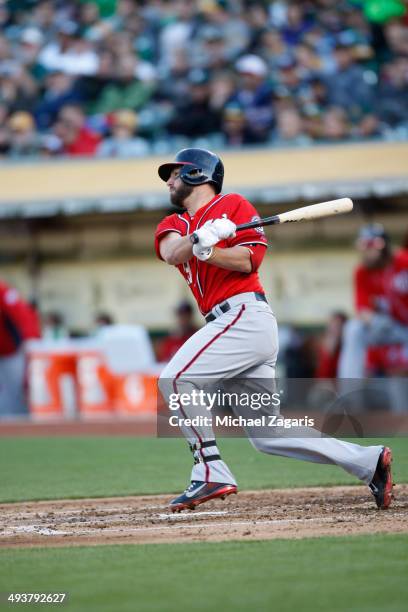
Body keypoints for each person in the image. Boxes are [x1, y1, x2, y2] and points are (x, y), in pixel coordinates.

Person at [154, 147, 393, 512]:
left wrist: (213, 250)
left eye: (175, 173)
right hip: (229, 327)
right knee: (269, 433)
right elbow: (174, 253)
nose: (169, 180)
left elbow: (249, 260)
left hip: (244, 318)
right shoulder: (172, 224)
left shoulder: (233, 205)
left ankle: (210, 470)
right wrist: (204, 238)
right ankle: (369, 461)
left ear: (197, 174)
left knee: (175, 379)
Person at [338, 224, 408, 378]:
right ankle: (350, 392)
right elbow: (362, 310)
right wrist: (376, 321)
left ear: (384, 245)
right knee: (353, 328)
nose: (367, 250)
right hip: (391, 328)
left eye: (373, 244)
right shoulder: (362, 272)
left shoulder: (403, 261)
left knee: (399, 376)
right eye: (363, 244)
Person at [0, 281, 41, 416]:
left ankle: (19, 430)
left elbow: (22, 313)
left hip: (9, 352)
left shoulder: (2, 290)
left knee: (14, 394)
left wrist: (31, 337)